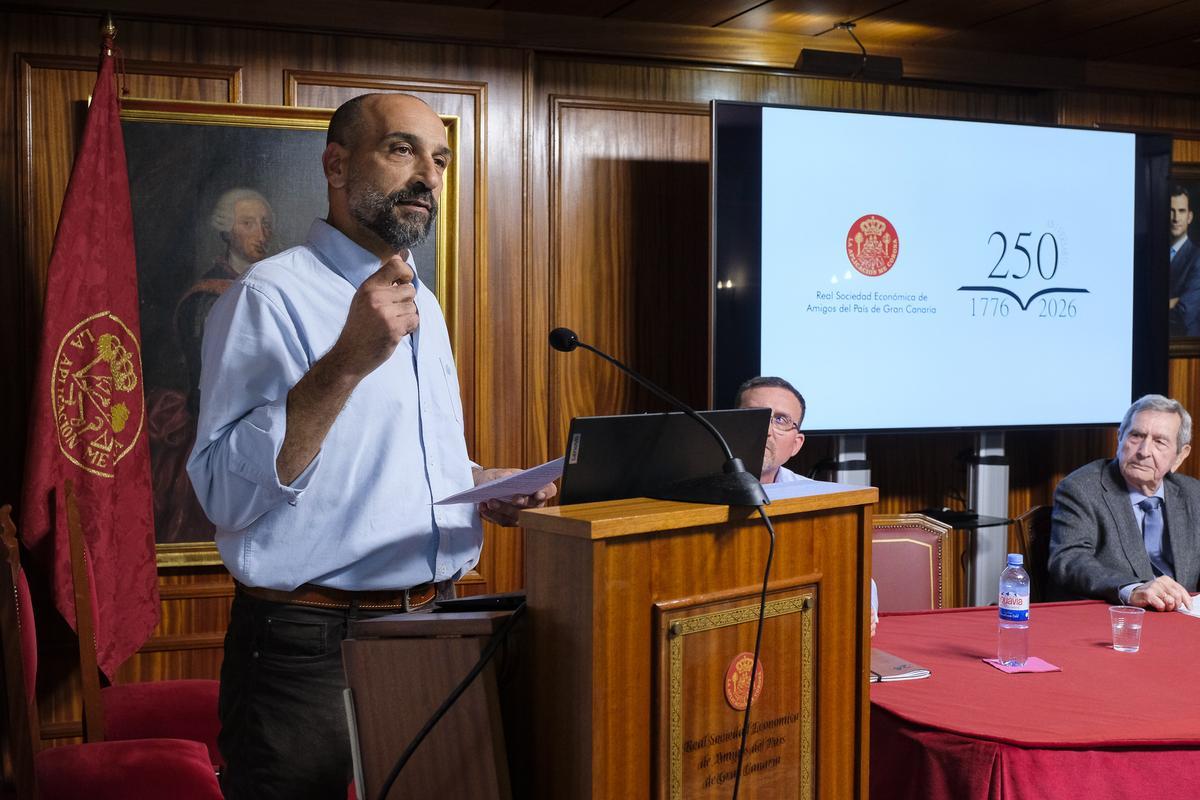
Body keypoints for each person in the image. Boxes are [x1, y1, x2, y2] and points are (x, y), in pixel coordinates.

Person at [187, 93, 555, 800]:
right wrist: (345, 363)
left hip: (439, 627)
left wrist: (480, 481)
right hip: (309, 647)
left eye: (440, 158)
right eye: (401, 150)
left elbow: (382, 461)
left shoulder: (424, 301)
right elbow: (223, 495)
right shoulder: (266, 297)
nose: (428, 174)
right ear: (335, 163)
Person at [734, 375, 878, 634]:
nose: (766, 430)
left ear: (796, 444)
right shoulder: (683, 499)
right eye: (755, 416)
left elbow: (857, 576)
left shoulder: (816, 500)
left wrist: (864, 609)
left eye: (780, 420)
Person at [1048, 394, 1199, 611]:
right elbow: (1069, 560)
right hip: (1115, 618)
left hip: (1183, 620)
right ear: (1119, 438)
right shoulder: (1081, 488)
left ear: (1180, 456)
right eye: (1136, 436)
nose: (1144, 452)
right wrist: (1133, 589)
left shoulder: (1193, 494)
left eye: (1159, 442)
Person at [1169, 186, 1200, 336]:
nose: (1175, 218)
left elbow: (1184, 313)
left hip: (1182, 344)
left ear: (1189, 217)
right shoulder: (1152, 254)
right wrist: (1172, 302)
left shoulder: (1197, 258)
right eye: (1171, 210)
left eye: (1181, 211)